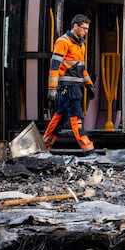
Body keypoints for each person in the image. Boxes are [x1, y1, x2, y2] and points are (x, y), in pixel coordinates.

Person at [43, 14, 96, 155]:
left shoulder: (81, 44)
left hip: (74, 88)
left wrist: (89, 84)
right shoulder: (63, 42)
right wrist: (52, 88)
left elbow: (81, 68)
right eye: (84, 28)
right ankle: (88, 150)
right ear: (75, 26)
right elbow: (54, 66)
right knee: (77, 117)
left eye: (87, 29)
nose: (86, 31)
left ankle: (45, 144)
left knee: (59, 117)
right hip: (68, 88)